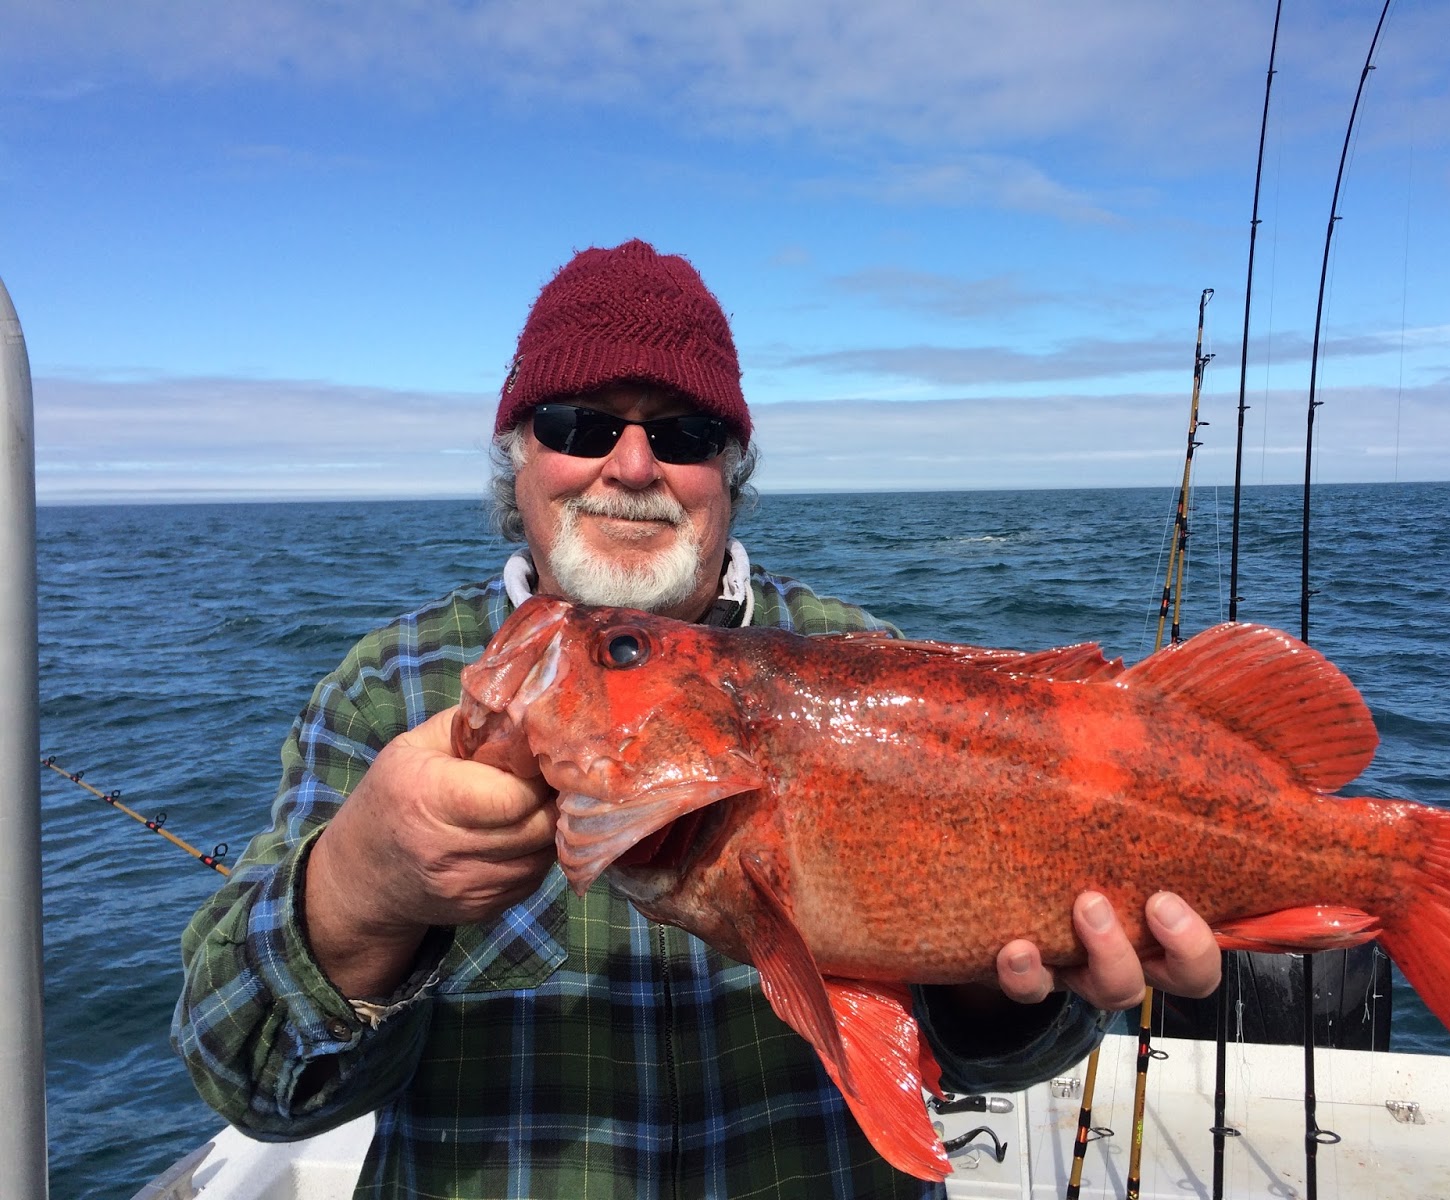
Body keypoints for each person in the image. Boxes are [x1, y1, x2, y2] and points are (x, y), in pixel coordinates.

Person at [173, 238, 1220, 1198]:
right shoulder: (389, 687)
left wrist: (1014, 999)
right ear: (518, 459)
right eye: (578, 425)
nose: (632, 467)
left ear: (731, 472)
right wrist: (362, 889)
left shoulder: (864, 661)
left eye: (683, 433)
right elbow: (246, 1078)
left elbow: (996, 1052)